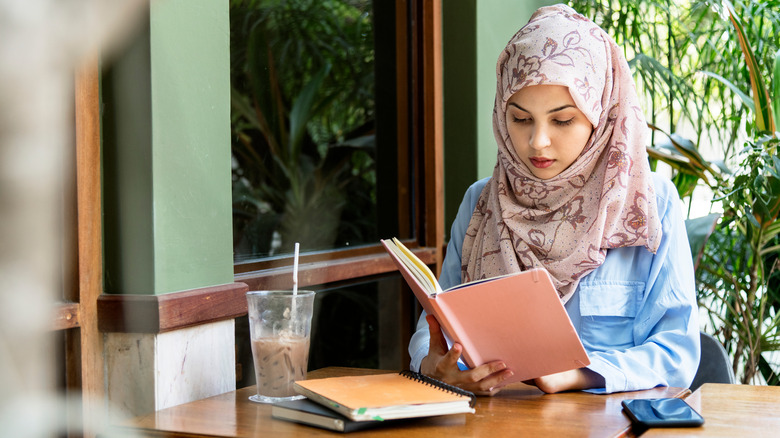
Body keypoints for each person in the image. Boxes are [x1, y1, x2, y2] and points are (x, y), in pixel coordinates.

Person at [408, 4, 700, 395]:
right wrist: (434, 365)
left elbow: (676, 354)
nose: (537, 142)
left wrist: (577, 374)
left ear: (602, 117)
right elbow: (437, 329)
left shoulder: (650, 205)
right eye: (520, 118)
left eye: (562, 120)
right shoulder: (481, 203)